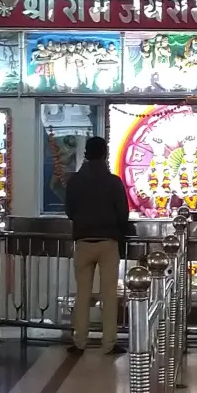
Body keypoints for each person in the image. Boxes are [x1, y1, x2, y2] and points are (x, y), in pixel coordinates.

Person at [65, 136, 132, 356]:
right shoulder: (113, 182)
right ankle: (109, 343)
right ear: (105, 154)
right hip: (108, 243)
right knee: (109, 295)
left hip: (83, 242)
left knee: (82, 294)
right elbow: (123, 214)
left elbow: (69, 212)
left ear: (86, 154)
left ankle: (79, 342)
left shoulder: (74, 182)